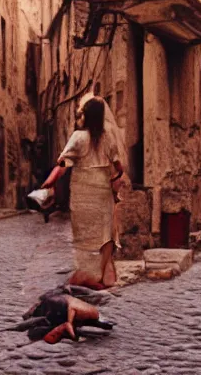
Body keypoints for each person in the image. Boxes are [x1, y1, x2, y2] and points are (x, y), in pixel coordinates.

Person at [40, 95, 125, 289]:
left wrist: (50, 181)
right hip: (102, 192)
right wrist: (115, 176)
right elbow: (118, 166)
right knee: (104, 234)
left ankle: (88, 275)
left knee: (84, 235)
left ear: (86, 116)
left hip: (82, 193)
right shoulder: (108, 138)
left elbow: (63, 163)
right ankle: (103, 275)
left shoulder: (78, 137)